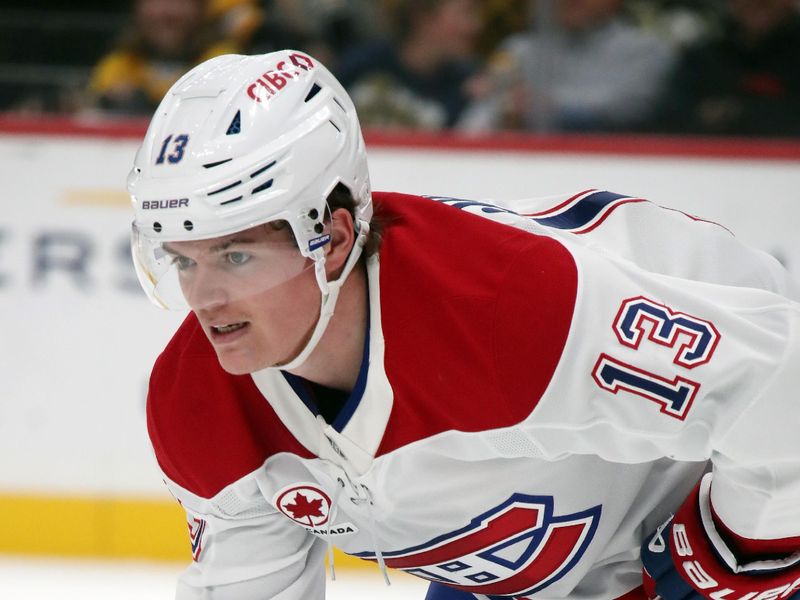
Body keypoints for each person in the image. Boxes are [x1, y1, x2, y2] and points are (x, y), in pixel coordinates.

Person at [127, 50, 800, 600]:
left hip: (726, 506)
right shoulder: (196, 404)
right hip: (529, 573)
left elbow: (783, 387)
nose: (204, 298)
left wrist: (737, 558)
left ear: (331, 239)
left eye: (236, 255)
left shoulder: (512, 309)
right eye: (182, 261)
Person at [458, 0, 676, 132]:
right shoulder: (519, 49)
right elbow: (483, 111)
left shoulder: (644, 50)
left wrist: (539, 105)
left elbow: (628, 108)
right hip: (521, 170)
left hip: (615, 172)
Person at [649, 0, 800, 137]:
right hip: (707, 159)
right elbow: (670, 117)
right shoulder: (703, 57)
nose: (756, 4)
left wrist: (737, 113)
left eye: (767, 2)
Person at [336, 0, 484, 129]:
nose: (475, 26)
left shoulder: (465, 87)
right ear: (424, 15)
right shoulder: (362, 64)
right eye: (466, 12)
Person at [87, 0, 236, 115]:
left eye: (180, 1)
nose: (167, 13)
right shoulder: (120, 63)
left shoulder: (223, 62)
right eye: (156, 1)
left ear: (202, 8)